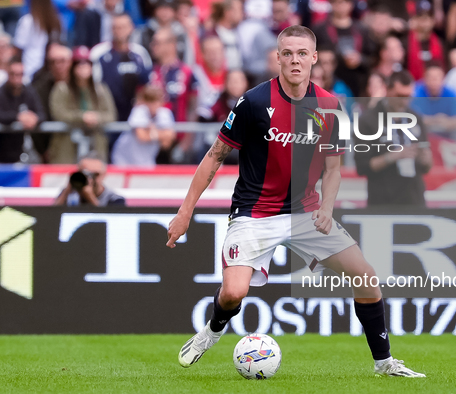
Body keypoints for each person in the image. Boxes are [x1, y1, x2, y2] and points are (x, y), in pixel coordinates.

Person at [166, 25, 426, 378]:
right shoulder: (254, 102)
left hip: (305, 213)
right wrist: (185, 213)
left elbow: (333, 169)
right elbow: (214, 156)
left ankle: (384, 363)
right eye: (287, 53)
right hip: (255, 213)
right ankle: (213, 329)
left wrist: (327, 208)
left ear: (314, 58)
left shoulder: (329, 106)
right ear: (278, 58)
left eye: (302, 53)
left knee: (366, 276)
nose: (295, 60)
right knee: (233, 292)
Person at [356, 70, 432, 207]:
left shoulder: (416, 118)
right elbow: (362, 166)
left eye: (408, 96)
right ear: (387, 90)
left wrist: (426, 159)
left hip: (414, 197)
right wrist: (394, 156)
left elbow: (426, 166)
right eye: (400, 96)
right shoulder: (369, 120)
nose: (404, 101)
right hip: (383, 199)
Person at [48, 46, 117, 164]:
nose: (83, 67)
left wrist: (97, 118)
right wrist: (82, 117)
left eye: (86, 63)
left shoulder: (100, 89)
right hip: (67, 146)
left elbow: (111, 114)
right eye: (79, 63)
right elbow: (59, 113)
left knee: (93, 177)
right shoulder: (61, 88)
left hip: (95, 144)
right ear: (72, 67)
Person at [91, 13, 152, 124]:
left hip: (135, 115)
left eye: (123, 27)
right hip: (107, 113)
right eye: (115, 27)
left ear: (131, 28)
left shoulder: (140, 53)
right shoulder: (99, 52)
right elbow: (94, 84)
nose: (119, 31)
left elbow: (148, 83)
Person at [313, 0, 375, 96]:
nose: (341, 6)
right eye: (337, 2)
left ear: (351, 5)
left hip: (357, 82)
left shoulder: (362, 29)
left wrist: (360, 59)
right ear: (332, 5)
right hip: (329, 82)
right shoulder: (320, 29)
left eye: (345, 2)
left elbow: (372, 57)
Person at [111, 85, 176, 166]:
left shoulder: (165, 113)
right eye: (150, 100)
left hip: (147, 160)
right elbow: (142, 137)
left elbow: (167, 143)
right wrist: (160, 133)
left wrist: (152, 132)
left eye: (156, 100)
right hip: (124, 159)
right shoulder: (138, 111)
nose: (153, 104)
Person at [31, 44, 72, 162]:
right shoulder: (40, 89)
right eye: (53, 62)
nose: (58, 66)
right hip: (51, 148)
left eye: (62, 61)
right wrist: (43, 150)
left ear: (71, 62)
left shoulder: (82, 85)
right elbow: (38, 121)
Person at [0, 57, 45, 164]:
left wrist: (34, 119)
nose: (16, 78)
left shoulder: (29, 92)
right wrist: (18, 117)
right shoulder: (1, 93)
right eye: (13, 74)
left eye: (20, 74)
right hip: (2, 150)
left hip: (23, 151)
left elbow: (42, 113)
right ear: (7, 73)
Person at [12, 0, 62, 82]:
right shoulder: (56, 20)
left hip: (30, 68)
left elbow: (18, 49)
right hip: (45, 69)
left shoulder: (27, 21)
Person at [411, 63, 456, 138]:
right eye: (430, 77)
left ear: (443, 79)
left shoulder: (451, 93)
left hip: (447, 137)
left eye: (437, 77)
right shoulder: (416, 92)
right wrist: (437, 120)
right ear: (424, 79)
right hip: (421, 136)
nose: (434, 81)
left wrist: (446, 123)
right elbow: (414, 119)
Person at [54, 154, 126, 206]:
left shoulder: (114, 199)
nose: (90, 179)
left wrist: (91, 198)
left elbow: (109, 221)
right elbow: (51, 217)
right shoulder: (70, 194)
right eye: (84, 174)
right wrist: (67, 191)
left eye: (95, 174)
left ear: (104, 175)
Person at [133, 0, 191, 65]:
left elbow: (188, 57)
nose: (165, 12)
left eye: (168, 9)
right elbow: (136, 54)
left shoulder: (181, 33)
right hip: (151, 71)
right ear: (155, 10)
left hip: (178, 72)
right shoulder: (144, 32)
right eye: (161, 8)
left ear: (174, 12)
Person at [405, 0, 445, 81]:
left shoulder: (440, 43)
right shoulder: (405, 42)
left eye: (428, 17)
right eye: (421, 17)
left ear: (433, 20)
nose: (425, 20)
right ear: (414, 19)